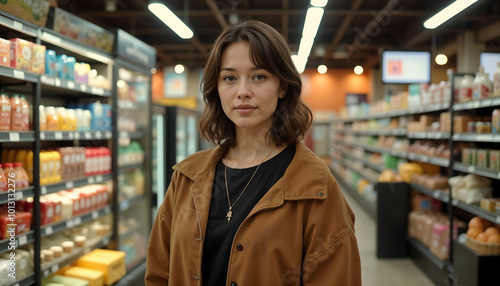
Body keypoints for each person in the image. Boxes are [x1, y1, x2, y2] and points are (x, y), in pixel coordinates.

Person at [145, 20, 361, 286]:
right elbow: (159, 271)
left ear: (282, 87)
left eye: (259, 77)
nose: (243, 92)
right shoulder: (187, 176)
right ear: (217, 88)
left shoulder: (315, 186)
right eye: (230, 78)